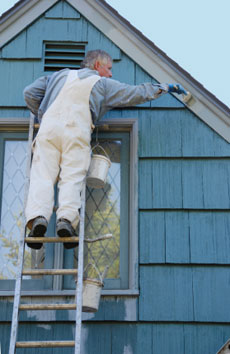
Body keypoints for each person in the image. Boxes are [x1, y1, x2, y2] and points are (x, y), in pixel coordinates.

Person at [24, 49, 187, 250]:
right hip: (77, 132)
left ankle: (39, 218)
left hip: (48, 130)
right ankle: (65, 220)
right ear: (97, 66)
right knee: (72, 178)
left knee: (43, 176)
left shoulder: (58, 76)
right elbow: (134, 93)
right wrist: (163, 88)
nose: (110, 74)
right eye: (108, 68)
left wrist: (43, 114)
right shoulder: (102, 84)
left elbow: (29, 93)